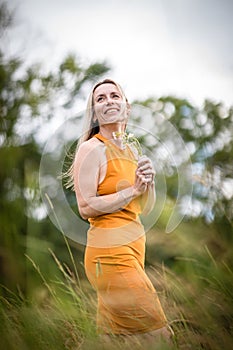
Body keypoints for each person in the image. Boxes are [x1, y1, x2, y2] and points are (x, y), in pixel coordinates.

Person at [69, 78, 172, 343]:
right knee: (160, 336)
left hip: (134, 251)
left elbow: (145, 208)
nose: (109, 101)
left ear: (127, 106)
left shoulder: (132, 151)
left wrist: (148, 183)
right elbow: (86, 206)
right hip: (110, 254)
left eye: (115, 96)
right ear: (94, 113)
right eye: (100, 99)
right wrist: (131, 191)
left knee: (112, 341)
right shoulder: (91, 149)